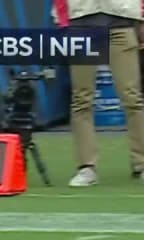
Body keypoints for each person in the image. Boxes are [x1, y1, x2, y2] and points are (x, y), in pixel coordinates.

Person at [54, 0, 144, 186]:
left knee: (132, 97)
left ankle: (141, 163)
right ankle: (86, 167)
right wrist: (63, 22)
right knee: (82, 99)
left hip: (122, 21)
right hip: (81, 23)